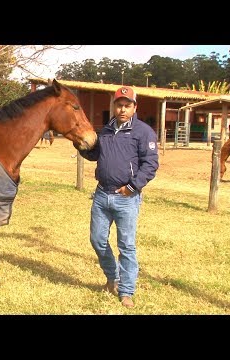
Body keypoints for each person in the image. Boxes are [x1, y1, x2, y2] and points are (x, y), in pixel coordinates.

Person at [76, 86, 159, 308]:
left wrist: (132, 187)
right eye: (119, 105)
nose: (122, 109)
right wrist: (79, 143)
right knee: (97, 240)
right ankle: (112, 277)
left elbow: (151, 165)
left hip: (126, 198)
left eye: (127, 105)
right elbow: (94, 155)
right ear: (114, 106)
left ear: (134, 107)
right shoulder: (105, 130)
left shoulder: (143, 132)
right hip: (102, 195)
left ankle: (126, 291)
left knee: (126, 246)